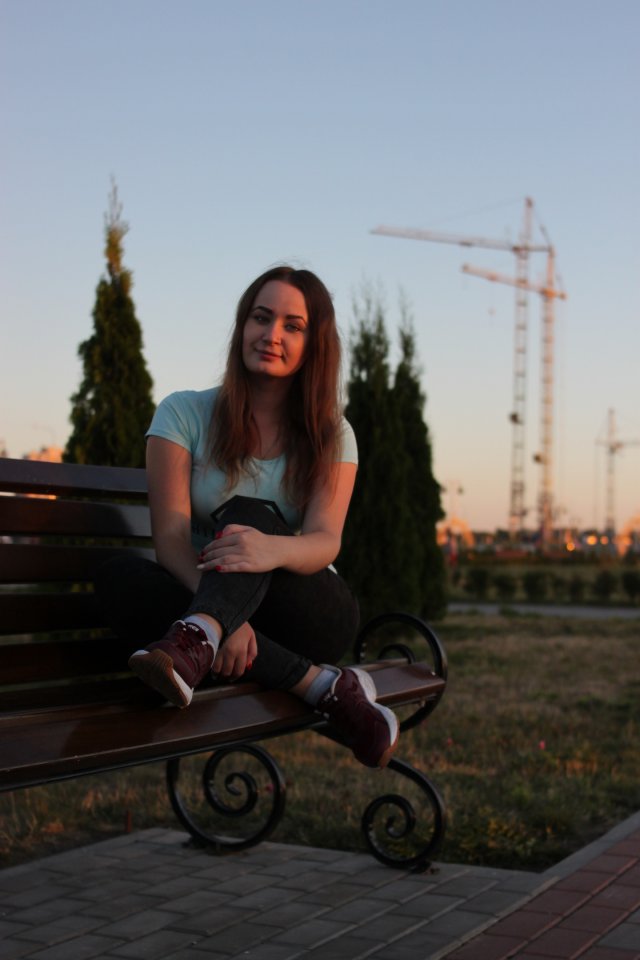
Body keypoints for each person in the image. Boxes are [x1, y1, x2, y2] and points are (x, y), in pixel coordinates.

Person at [96, 265, 398, 769]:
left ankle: (199, 635)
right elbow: (170, 542)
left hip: (301, 610)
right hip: (197, 597)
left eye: (292, 326)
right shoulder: (182, 414)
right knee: (118, 579)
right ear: (242, 327)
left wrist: (269, 547)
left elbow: (325, 540)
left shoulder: (331, 433)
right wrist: (224, 619)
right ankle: (317, 684)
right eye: (261, 317)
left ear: (314, 344)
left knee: (245, 516)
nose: (271, 334)